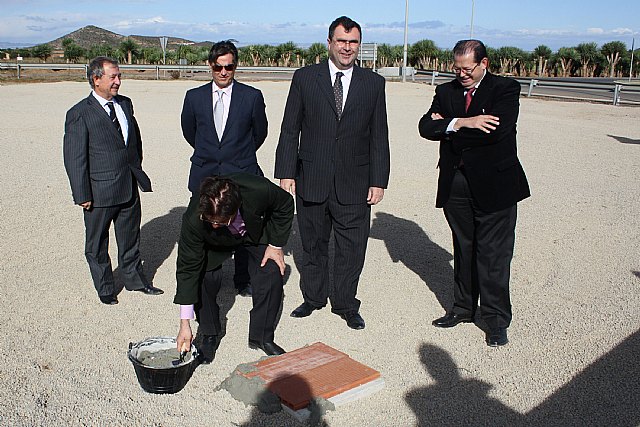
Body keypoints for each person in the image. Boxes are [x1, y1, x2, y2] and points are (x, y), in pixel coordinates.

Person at [275, 16, 390, 330]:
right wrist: (286, 171)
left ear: (359, 45)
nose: (347, 48)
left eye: (353, 43)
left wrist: (379, 180)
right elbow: (290, 129)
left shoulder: (373, 83)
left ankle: (346, 304)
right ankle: (313, 299)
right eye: (342, 41)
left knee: (352, 249)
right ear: (329, 43)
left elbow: (379, 134)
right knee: (312, 244)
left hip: (355, 183)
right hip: (312, 177)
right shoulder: (304, 78)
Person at [418, 40, 530, 347]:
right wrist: (464, 122)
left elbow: (497, 130)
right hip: (456, 184)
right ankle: (464, 309)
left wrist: (450, 130)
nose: (462, 74)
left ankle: (495, 320)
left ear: (484, 64)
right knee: (464, 248)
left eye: (468, 69)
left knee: (493, 255)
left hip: (496, 185)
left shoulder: (505, 89)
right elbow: (425, 127)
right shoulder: (446, 91)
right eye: (457, 68)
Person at [63, 56, 163, 305]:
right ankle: (106, 287)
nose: (119, 81)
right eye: (113, 77)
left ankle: (135, 281)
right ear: (96, 79)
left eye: (119, 76)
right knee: (97, 244)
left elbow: (133, 140)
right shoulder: (79, 113)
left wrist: (136, 168)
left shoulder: (126, 104)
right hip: (99, 191)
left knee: (130, 238)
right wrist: (82, 194)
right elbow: (75, 158)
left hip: (128, 186)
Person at [181, 40, 268, 298]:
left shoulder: (251, 97)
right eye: (218, 67)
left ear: (235, 66)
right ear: (210, 65)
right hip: (205, 172)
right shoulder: (193, 97)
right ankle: (208, 276)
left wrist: (237, 154)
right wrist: (212, 153)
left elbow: (259, 133)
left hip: (240, 171)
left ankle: (242, 279)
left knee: (242, 227)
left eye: (229, 67)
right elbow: (190, 132)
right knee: (205, 226)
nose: (223, 72)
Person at [174, 174, 294, 362]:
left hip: (254, 233)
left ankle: (262, 337)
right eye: (210, 220)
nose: (214, 224)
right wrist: (184, 323)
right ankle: (210, 333)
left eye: (219, 221)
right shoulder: (194, 219)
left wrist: (276, 245)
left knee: (272, 272)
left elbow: (285, 204)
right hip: (215, 243)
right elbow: (187, 269)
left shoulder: (258, 189)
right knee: (204, 278)